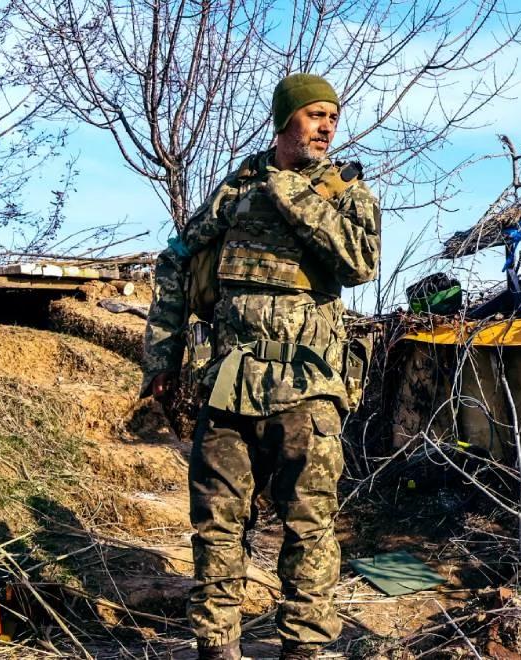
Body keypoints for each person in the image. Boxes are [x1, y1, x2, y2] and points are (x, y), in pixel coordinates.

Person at [141, 73, 380, 660]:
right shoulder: (237, 188)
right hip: (228, 385)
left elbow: (360, 262)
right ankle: (216, 646)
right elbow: (174, 260)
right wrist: (161, 358)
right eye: (314, 115)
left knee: (309, 527)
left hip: (308, 389)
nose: (326, 127)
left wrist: (291, 192)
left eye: (333, 117)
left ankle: (303, 649)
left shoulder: (344, 191)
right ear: (284, 122)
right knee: (217, 527)